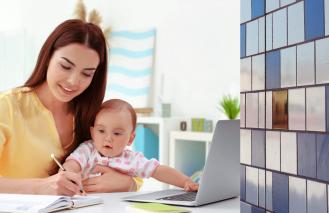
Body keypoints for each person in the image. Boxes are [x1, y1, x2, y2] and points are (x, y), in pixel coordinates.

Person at [0, 19, 142, 196]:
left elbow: (130, 162)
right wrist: (39, 187)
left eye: (87, 73)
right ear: (47, 58)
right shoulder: (6, 106)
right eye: (65, 66)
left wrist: (129, 184)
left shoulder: (93, 113)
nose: (73, 81)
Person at [63, 99, 199, 192]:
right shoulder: (87, 149)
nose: (108, 138)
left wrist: (186, 182)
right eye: (101, 131)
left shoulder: (131, 160)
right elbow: (73, 163)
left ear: (130, 139)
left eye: (117, 133)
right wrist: (68, 173)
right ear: (92, 132)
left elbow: (159, 170)